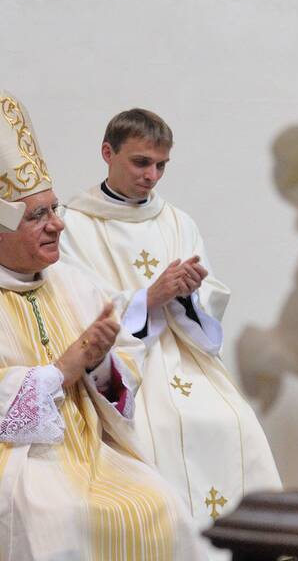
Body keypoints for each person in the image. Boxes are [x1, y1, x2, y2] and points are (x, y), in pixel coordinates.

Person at [0, 92, 204, 559]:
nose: (58, 225)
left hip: (92, 451)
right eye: (38, 216)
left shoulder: (71, 283)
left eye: (54, 209)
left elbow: (120, 369)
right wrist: (65, 368)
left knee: (162, 505)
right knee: (61, 520)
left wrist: (102, 364)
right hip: (20, 462)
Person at [59, 108, 281, 529]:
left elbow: (212, 296)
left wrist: (191, 293)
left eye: (161, 166)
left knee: (236, 420)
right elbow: (75, 304)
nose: (152, 176)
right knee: (158, 424)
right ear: (108, 152)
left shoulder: (178, 220)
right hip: (123, 363)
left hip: (184, 355)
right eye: (141, 162)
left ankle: (242, 545)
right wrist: (148, 297)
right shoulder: (75, 224)